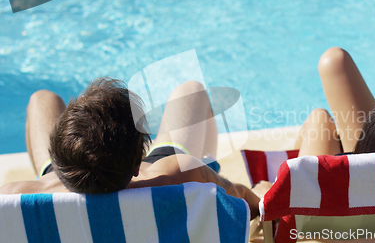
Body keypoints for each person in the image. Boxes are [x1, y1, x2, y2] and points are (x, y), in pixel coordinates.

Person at [0, 78, 260, 219]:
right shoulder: (179, 174)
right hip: (150, 179)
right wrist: (258, 197)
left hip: (59, 185)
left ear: (55, 155)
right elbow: (236, 195)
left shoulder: (14, 197)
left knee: (40, 99)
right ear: (139, 163)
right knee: (191, 90)